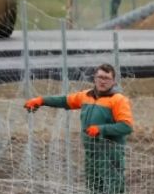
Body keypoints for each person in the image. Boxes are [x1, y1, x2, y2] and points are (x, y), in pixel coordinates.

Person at [24, 64, 133, 194]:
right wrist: (41, 100)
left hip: (110, 155)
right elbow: (64, 100)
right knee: (93, 187)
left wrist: (101, 129)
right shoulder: (86, 96)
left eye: (107, 78)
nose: (103, 81)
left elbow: (126, 126)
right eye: (100, 77)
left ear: (113, 81)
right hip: (91, 153)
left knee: (113, 188)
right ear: (94, 78)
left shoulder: (118, 100)